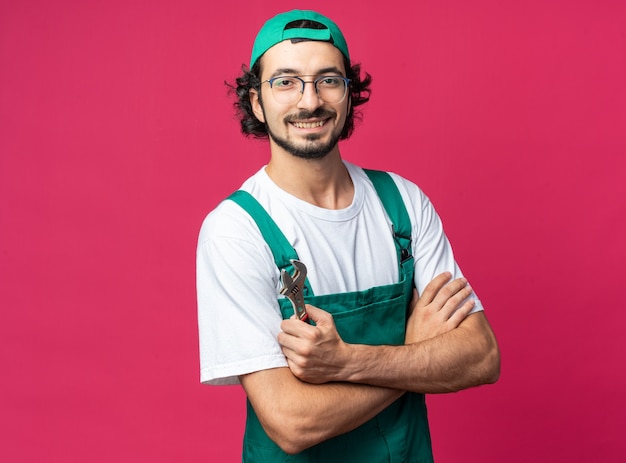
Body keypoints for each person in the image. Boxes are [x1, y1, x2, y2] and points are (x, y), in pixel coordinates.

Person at [197, 9, 500, 462]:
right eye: (285, 81)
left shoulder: (404, 203)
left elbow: (481, 356)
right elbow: (291, 422)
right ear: (257, 102)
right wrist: (415, 353)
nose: (309, 101)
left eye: (328, 80)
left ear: (349, 95)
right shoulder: (236, 230)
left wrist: (347, 362)